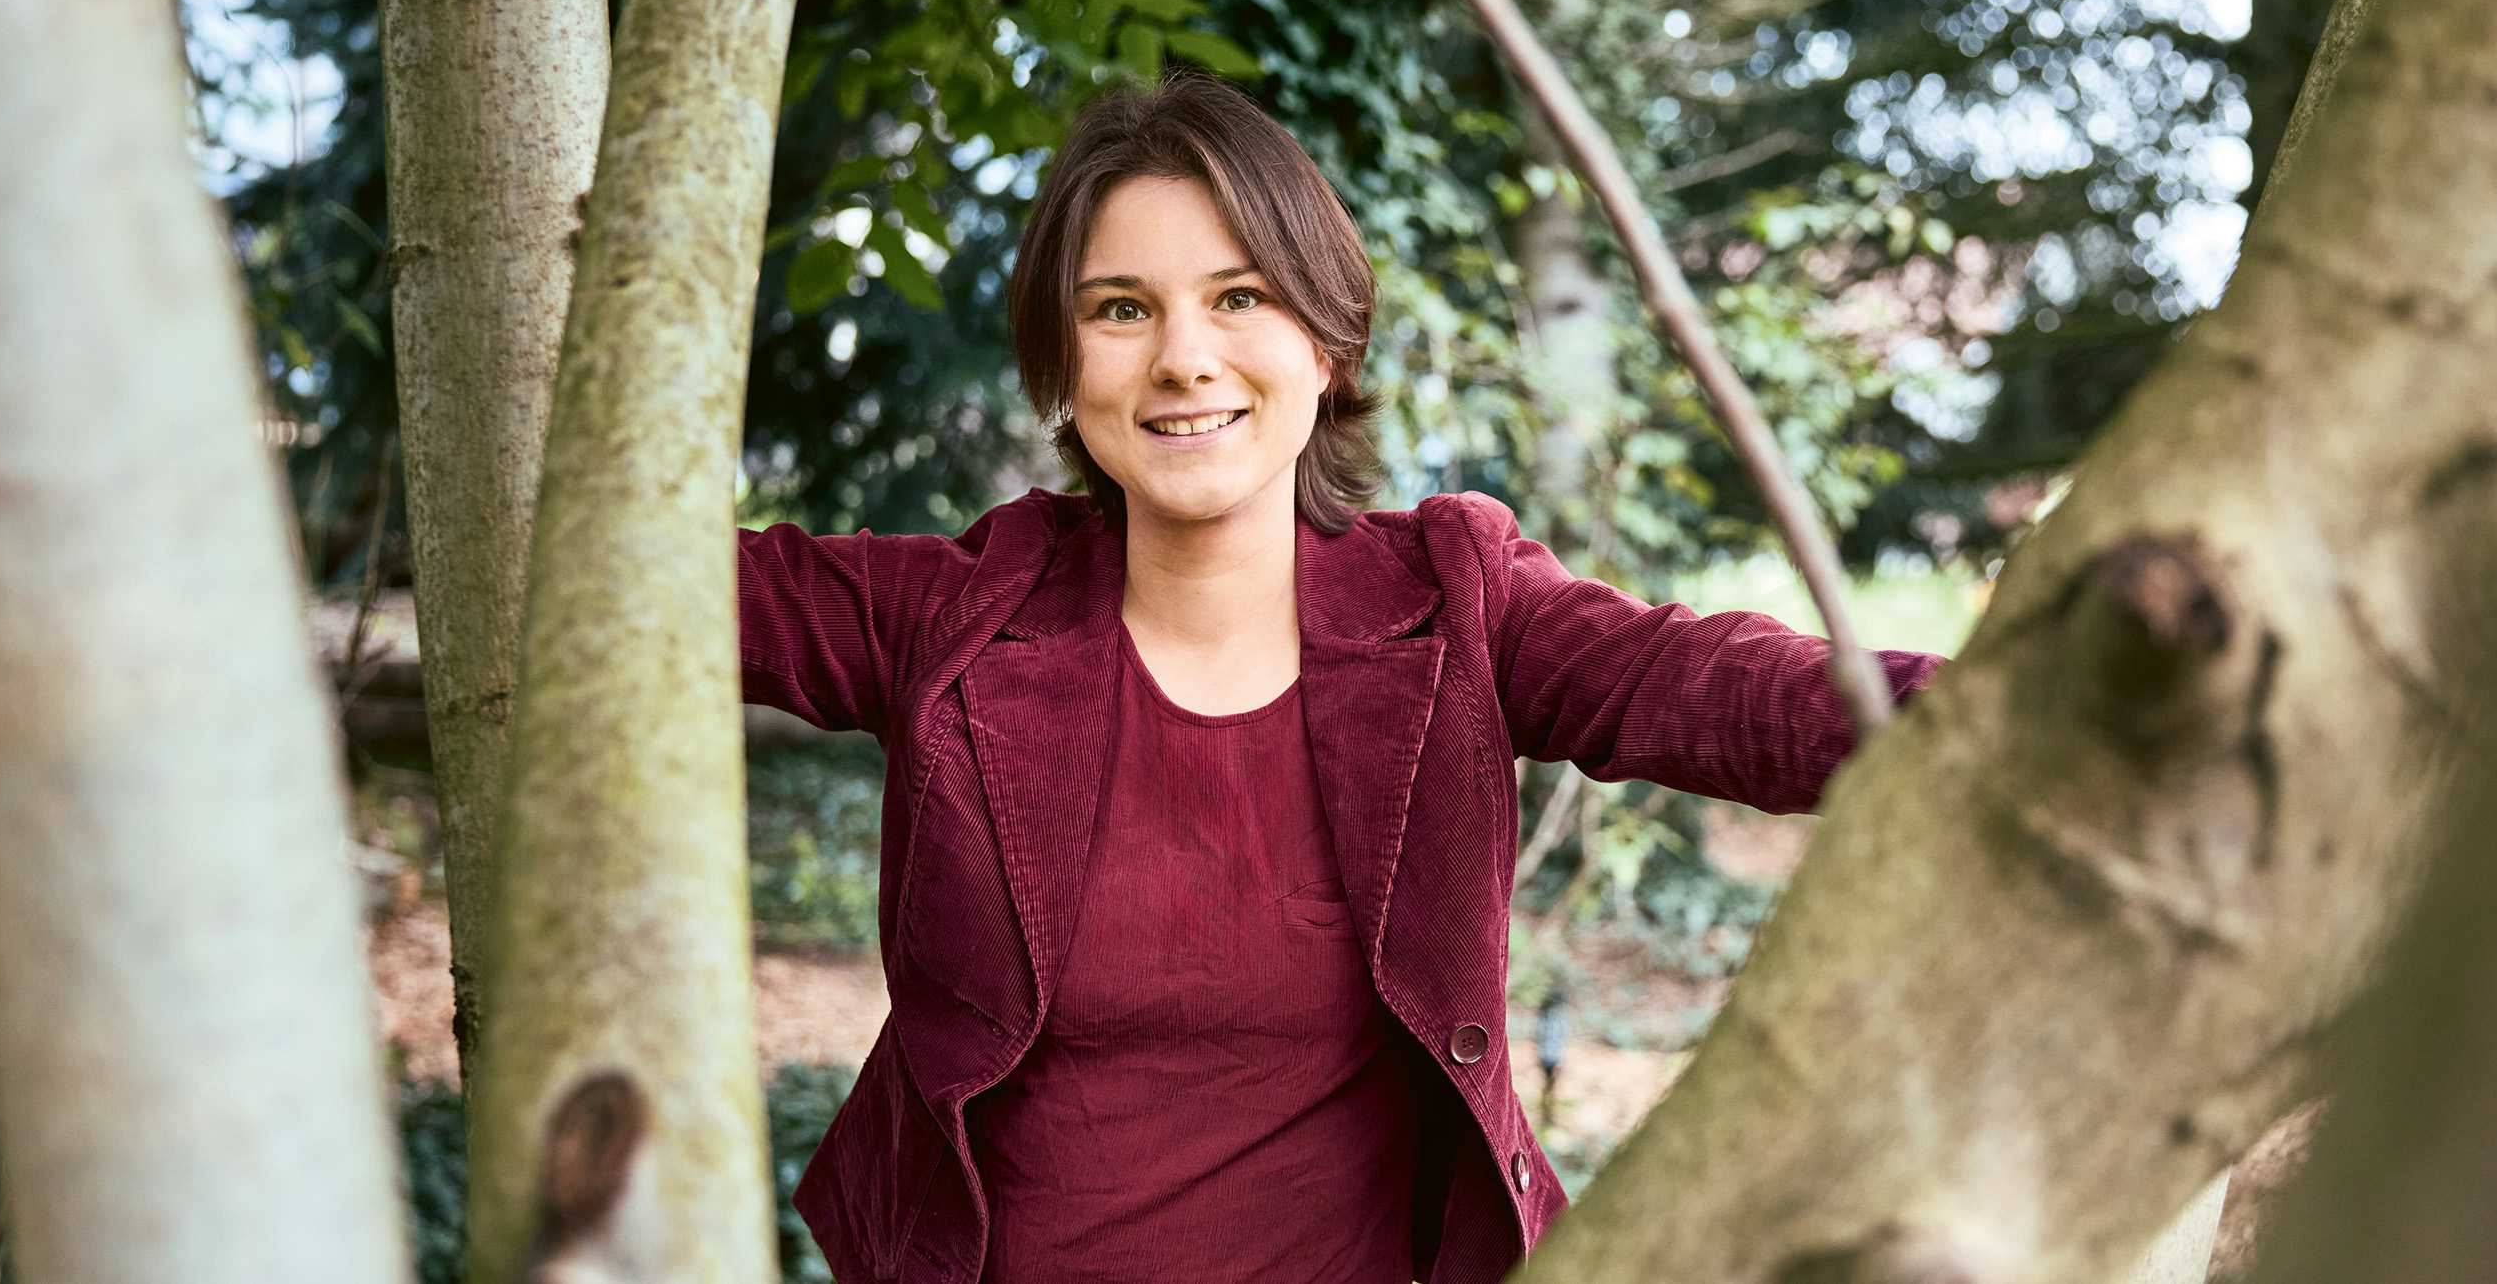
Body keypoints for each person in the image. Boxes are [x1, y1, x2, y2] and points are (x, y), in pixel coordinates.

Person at [736, 71, 1942, 1284]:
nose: (1183, 359)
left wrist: (2014, 703)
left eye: (1240, 297)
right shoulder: (950, 611)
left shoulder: (1453, 599)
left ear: (1327, 341)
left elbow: (1713, 685)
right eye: (1120, 309)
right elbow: (641, 574)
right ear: (1062, 361)